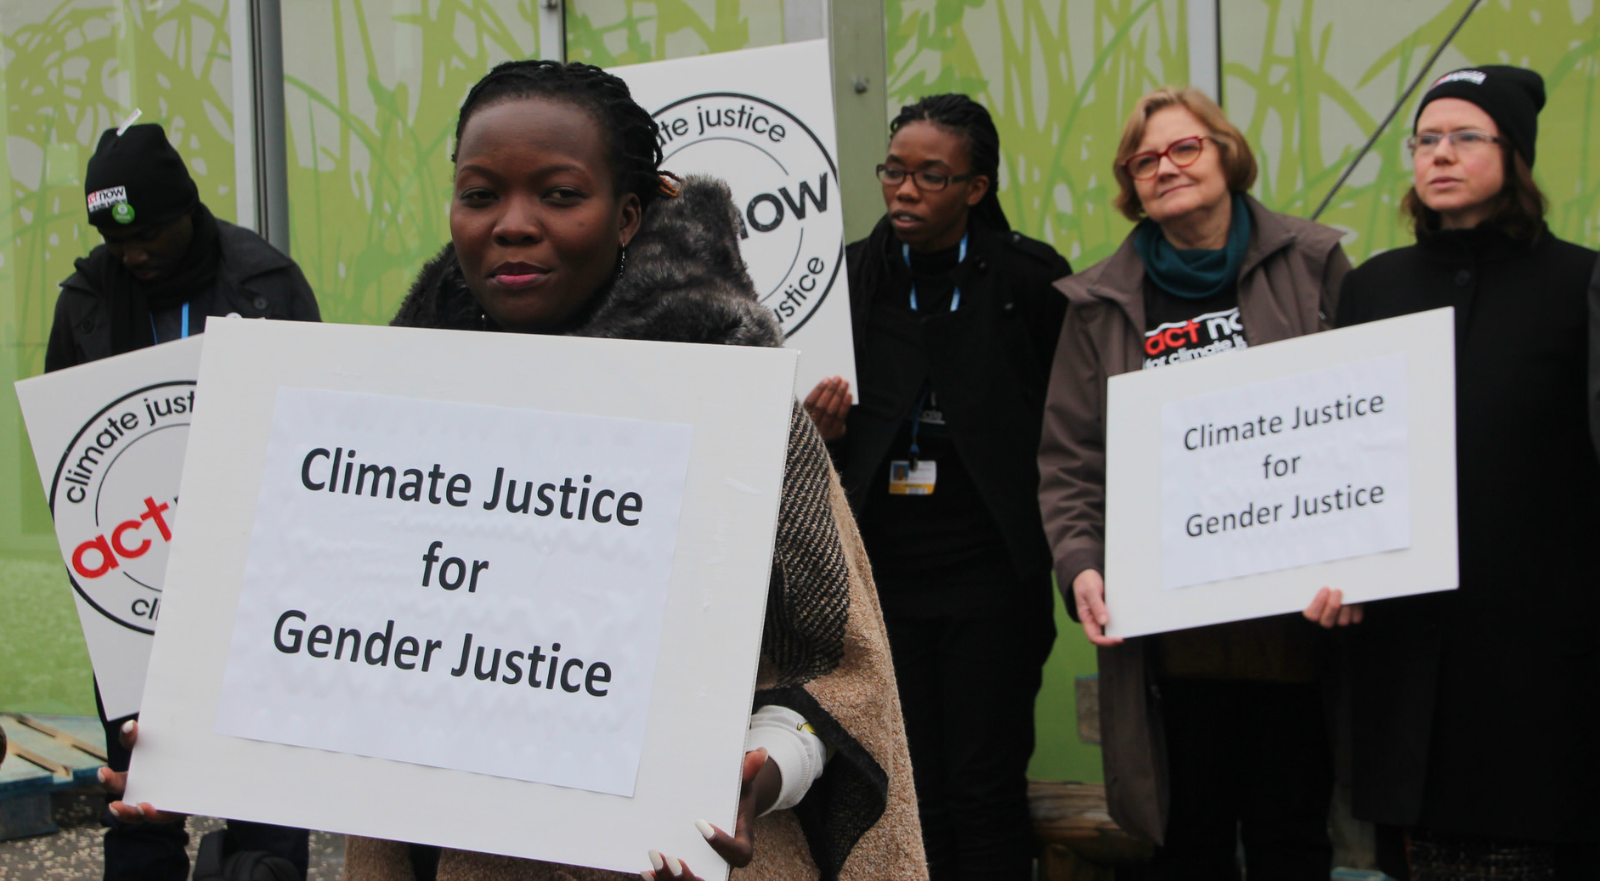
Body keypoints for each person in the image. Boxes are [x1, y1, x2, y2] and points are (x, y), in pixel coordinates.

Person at [107, 60, 928, 881]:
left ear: (628, 215)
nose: (513, 224)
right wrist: (200, 750)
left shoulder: (733, 411)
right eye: (479, 194)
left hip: (691, 858)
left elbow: (846, 669)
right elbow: (338, 650)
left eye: (561, 194)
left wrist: (769, 763)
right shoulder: (388, 419)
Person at [1036, 87, 1351, 880]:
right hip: (1173, 638)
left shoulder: (1315, 263)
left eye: (1184, 149)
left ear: (1226, 153)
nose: (1165, 168)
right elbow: (1069, 457)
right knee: (1190, 842)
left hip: (1295, 627)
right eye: (1144, 161)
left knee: (1293, 839)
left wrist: (1363, 560)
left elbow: (1362, 424)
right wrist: (1081, 564)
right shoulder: (1098, 302)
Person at [1327, 65, 1600, 881]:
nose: (1439, 154)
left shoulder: (1582, 282)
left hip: (1544, 647)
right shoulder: (1374, 287)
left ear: (1514, 154)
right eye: (1426, 140)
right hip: (1407, 651)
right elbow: (1337, 449)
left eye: (1465, 137)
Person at [804, 93, 1068, 880]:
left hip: (992, 576)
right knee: (907, 781)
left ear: (975, 188)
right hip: (884, 579)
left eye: (930, 175)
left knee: (982, 785)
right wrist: (822, 431)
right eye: (894, 171)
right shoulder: (852, 277)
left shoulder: (1028, 281)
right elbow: (802, 428)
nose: (904, 190)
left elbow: (1069, 417)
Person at [46, 122, 319, 881]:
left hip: (255, 586)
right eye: (114, 240)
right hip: (137, 592)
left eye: (151, 234)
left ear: (188, 211)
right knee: (141, 795)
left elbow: (318, 424)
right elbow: (70, 448)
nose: (133, 254)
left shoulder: (264, 283)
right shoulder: (87, 302)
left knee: (263, 795)